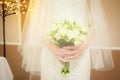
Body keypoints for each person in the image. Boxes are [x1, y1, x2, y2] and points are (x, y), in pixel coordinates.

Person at [18, 0, 116, 80]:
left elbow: (96, 21)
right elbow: (36, 23)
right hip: (51, 52)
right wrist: (53, 48)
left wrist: (82, 47)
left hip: (79, 52)